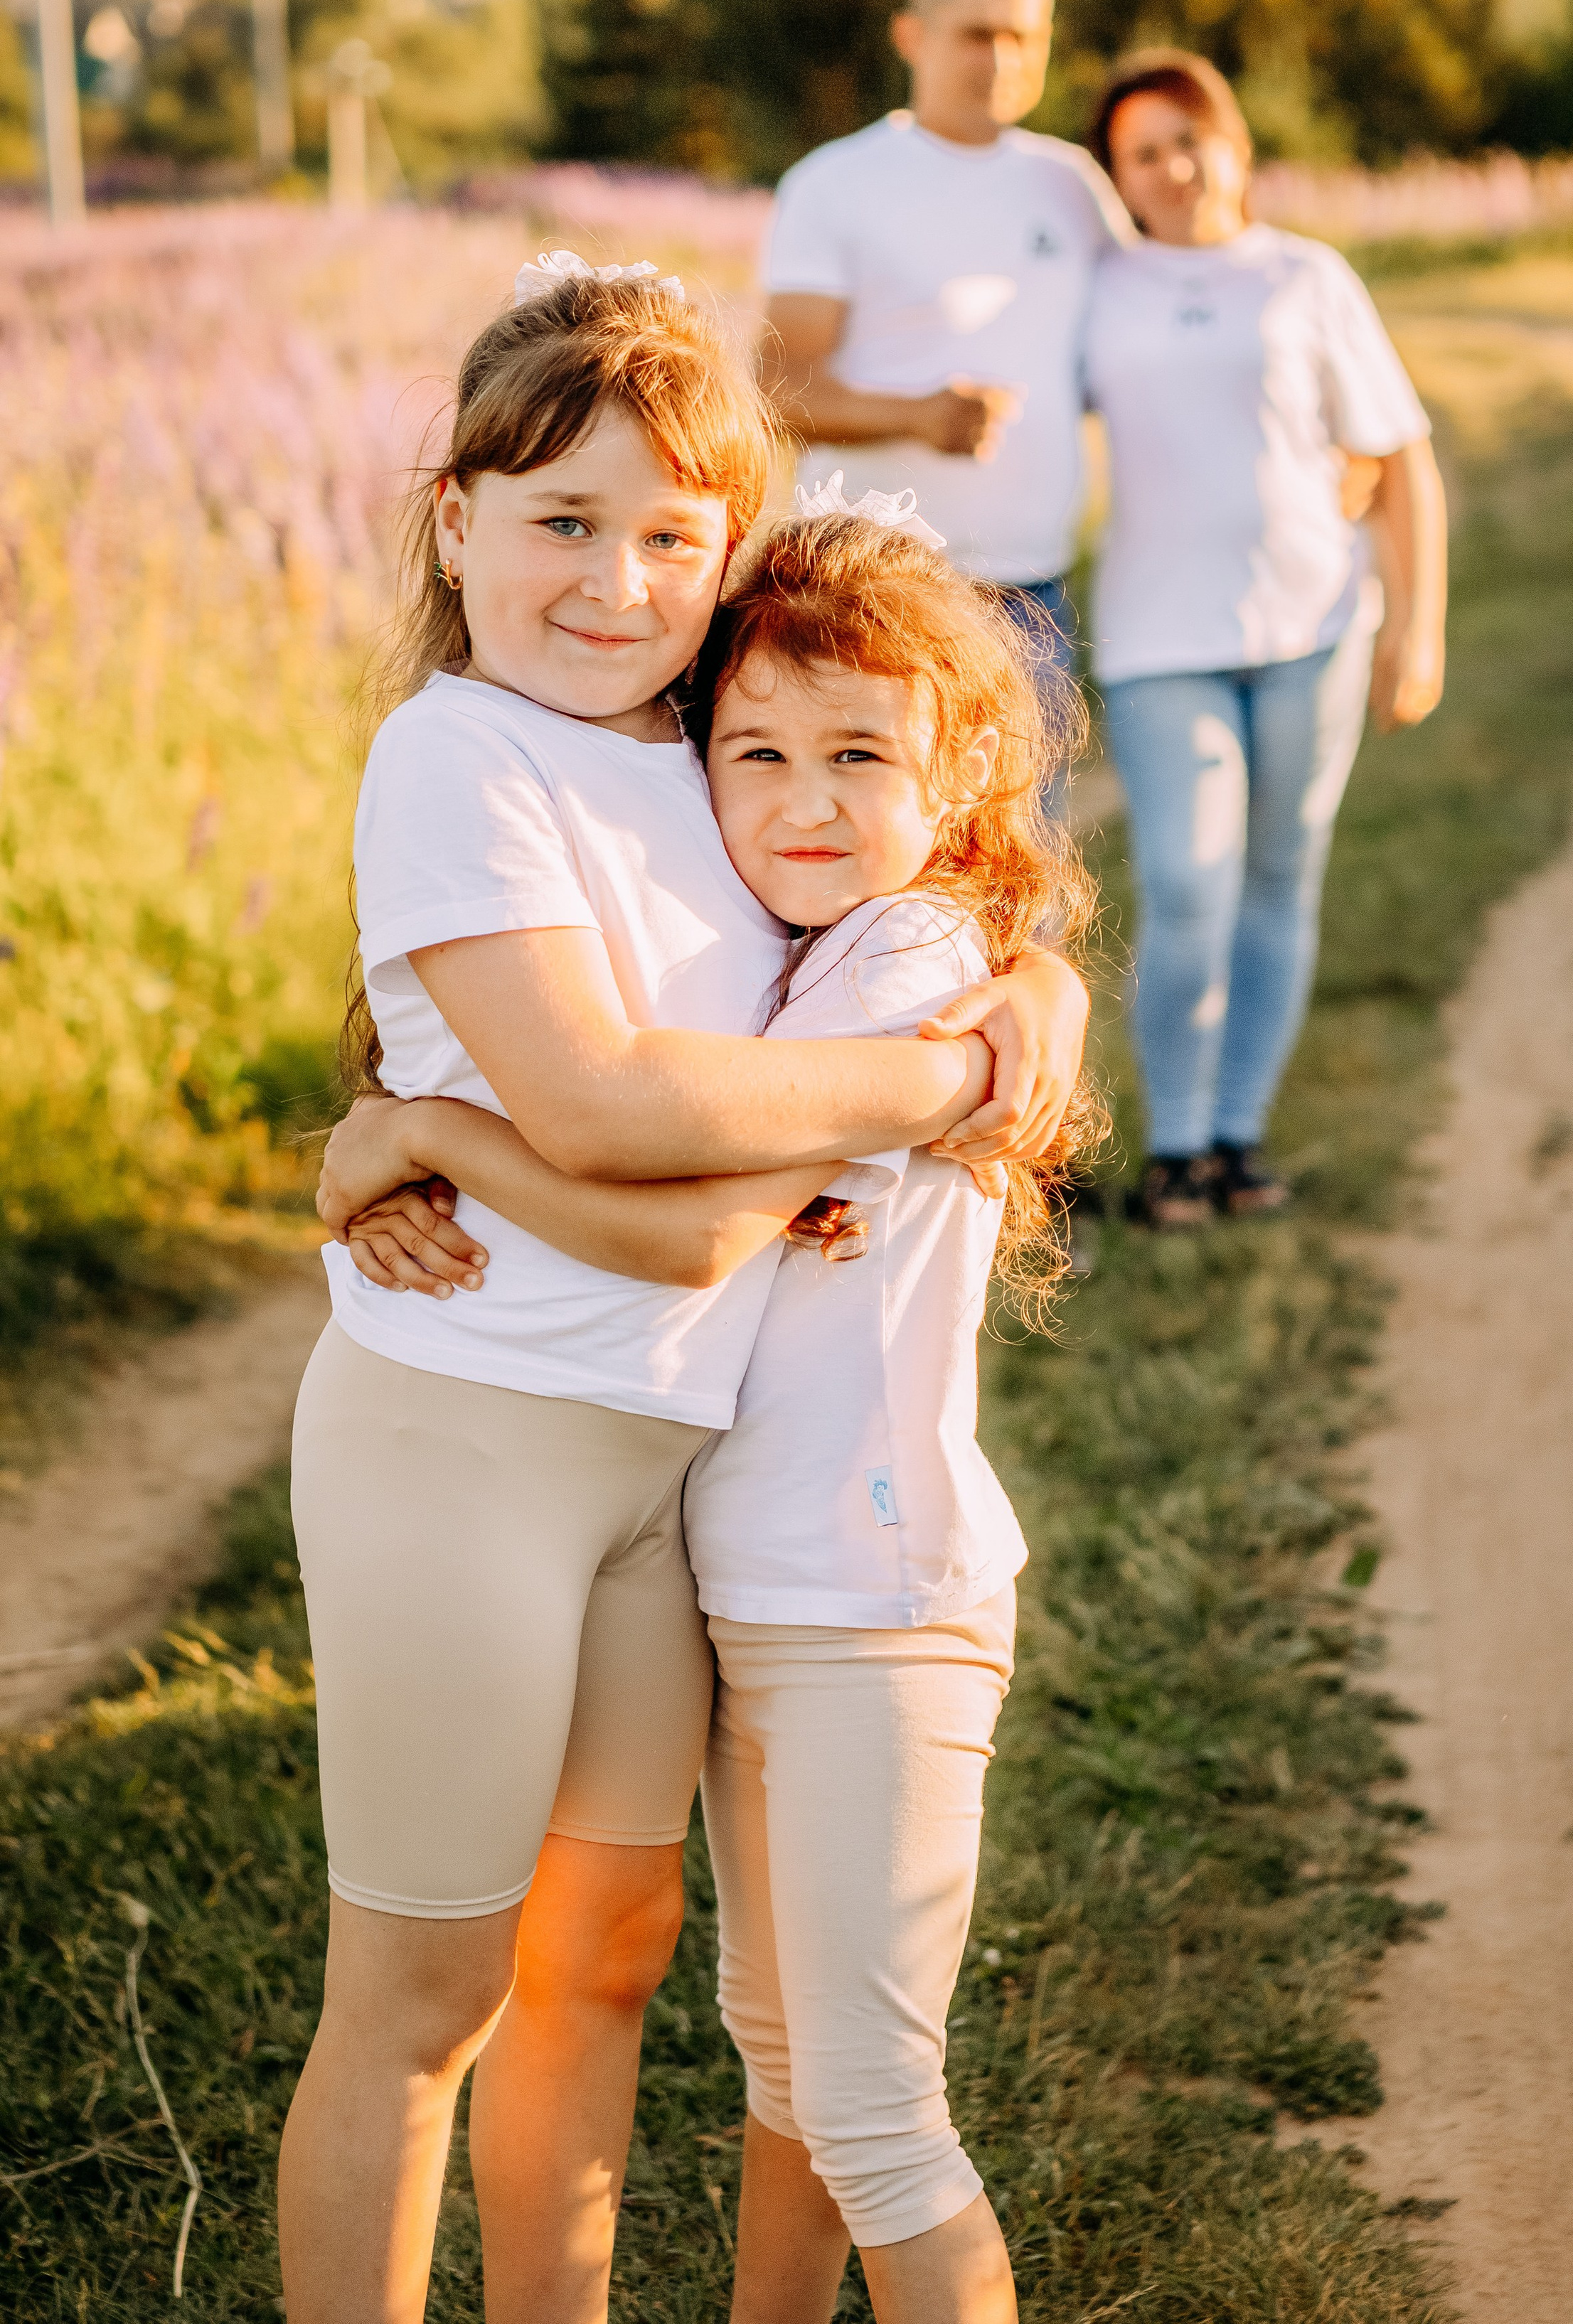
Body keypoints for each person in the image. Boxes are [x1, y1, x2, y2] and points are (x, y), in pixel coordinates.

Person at [283, 258, 1089, 2324]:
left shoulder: (705, 747)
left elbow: (913, 847)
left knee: (607, 1954)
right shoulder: (457, 757)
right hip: (468, 1439)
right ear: (453, 520)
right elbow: (633, 1122)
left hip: (669, 1475)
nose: (616, 578)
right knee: (431, 1978)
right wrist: (942, 1079)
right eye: (558, 521)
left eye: (670, 534)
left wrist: (1031, 985)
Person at [1082, 51, 1448, 1228]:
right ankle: (1175, 1147)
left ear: (1234, 144)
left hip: (1316, 624)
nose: (1174, 167)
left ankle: (1238, 1139)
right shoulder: (1103, 286)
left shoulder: (1307, 277)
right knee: (1188, 884)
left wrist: (1418, 628)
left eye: (1190, 138)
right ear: (1120, 179)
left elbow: (1396, 459)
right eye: (1145, 153)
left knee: (1283, 877)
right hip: (1156, 636)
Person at [759, 0, 1129, 687]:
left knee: (1019, 811)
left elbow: (1145, 342)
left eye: (1023, 36)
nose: (1000, 59)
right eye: (975, 35)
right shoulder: (835, 184)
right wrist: (917, 416)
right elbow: (777, 387)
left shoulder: (1074, 186)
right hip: (864, 590)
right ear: (911, 36)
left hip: (1030, 598)